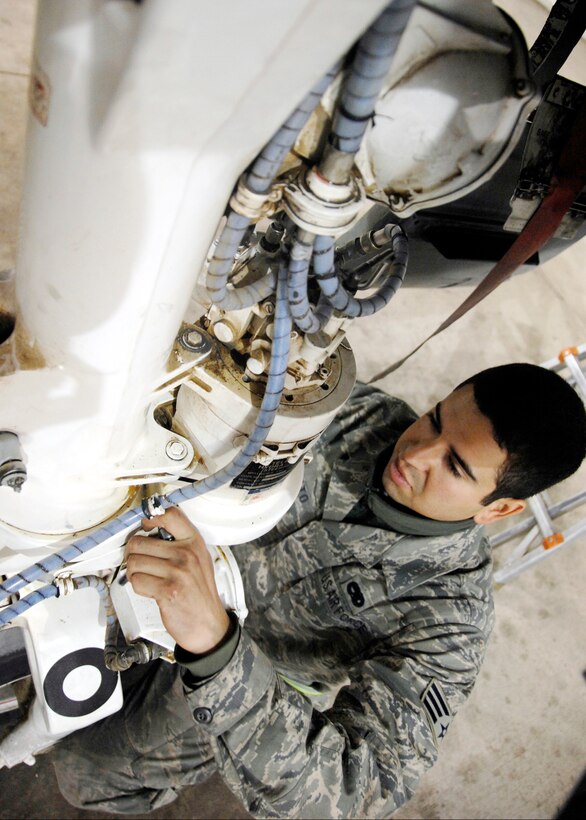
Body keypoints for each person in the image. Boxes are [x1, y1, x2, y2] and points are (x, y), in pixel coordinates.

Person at [53, 363, 586, 818]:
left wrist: (216, 649)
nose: (415, 453)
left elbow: (356, 793)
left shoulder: (450, 619)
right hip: (157, 558)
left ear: (498, 510)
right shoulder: (357, 414)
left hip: (240, 678)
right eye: (434, 420)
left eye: (454, 466)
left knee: (83, 771)